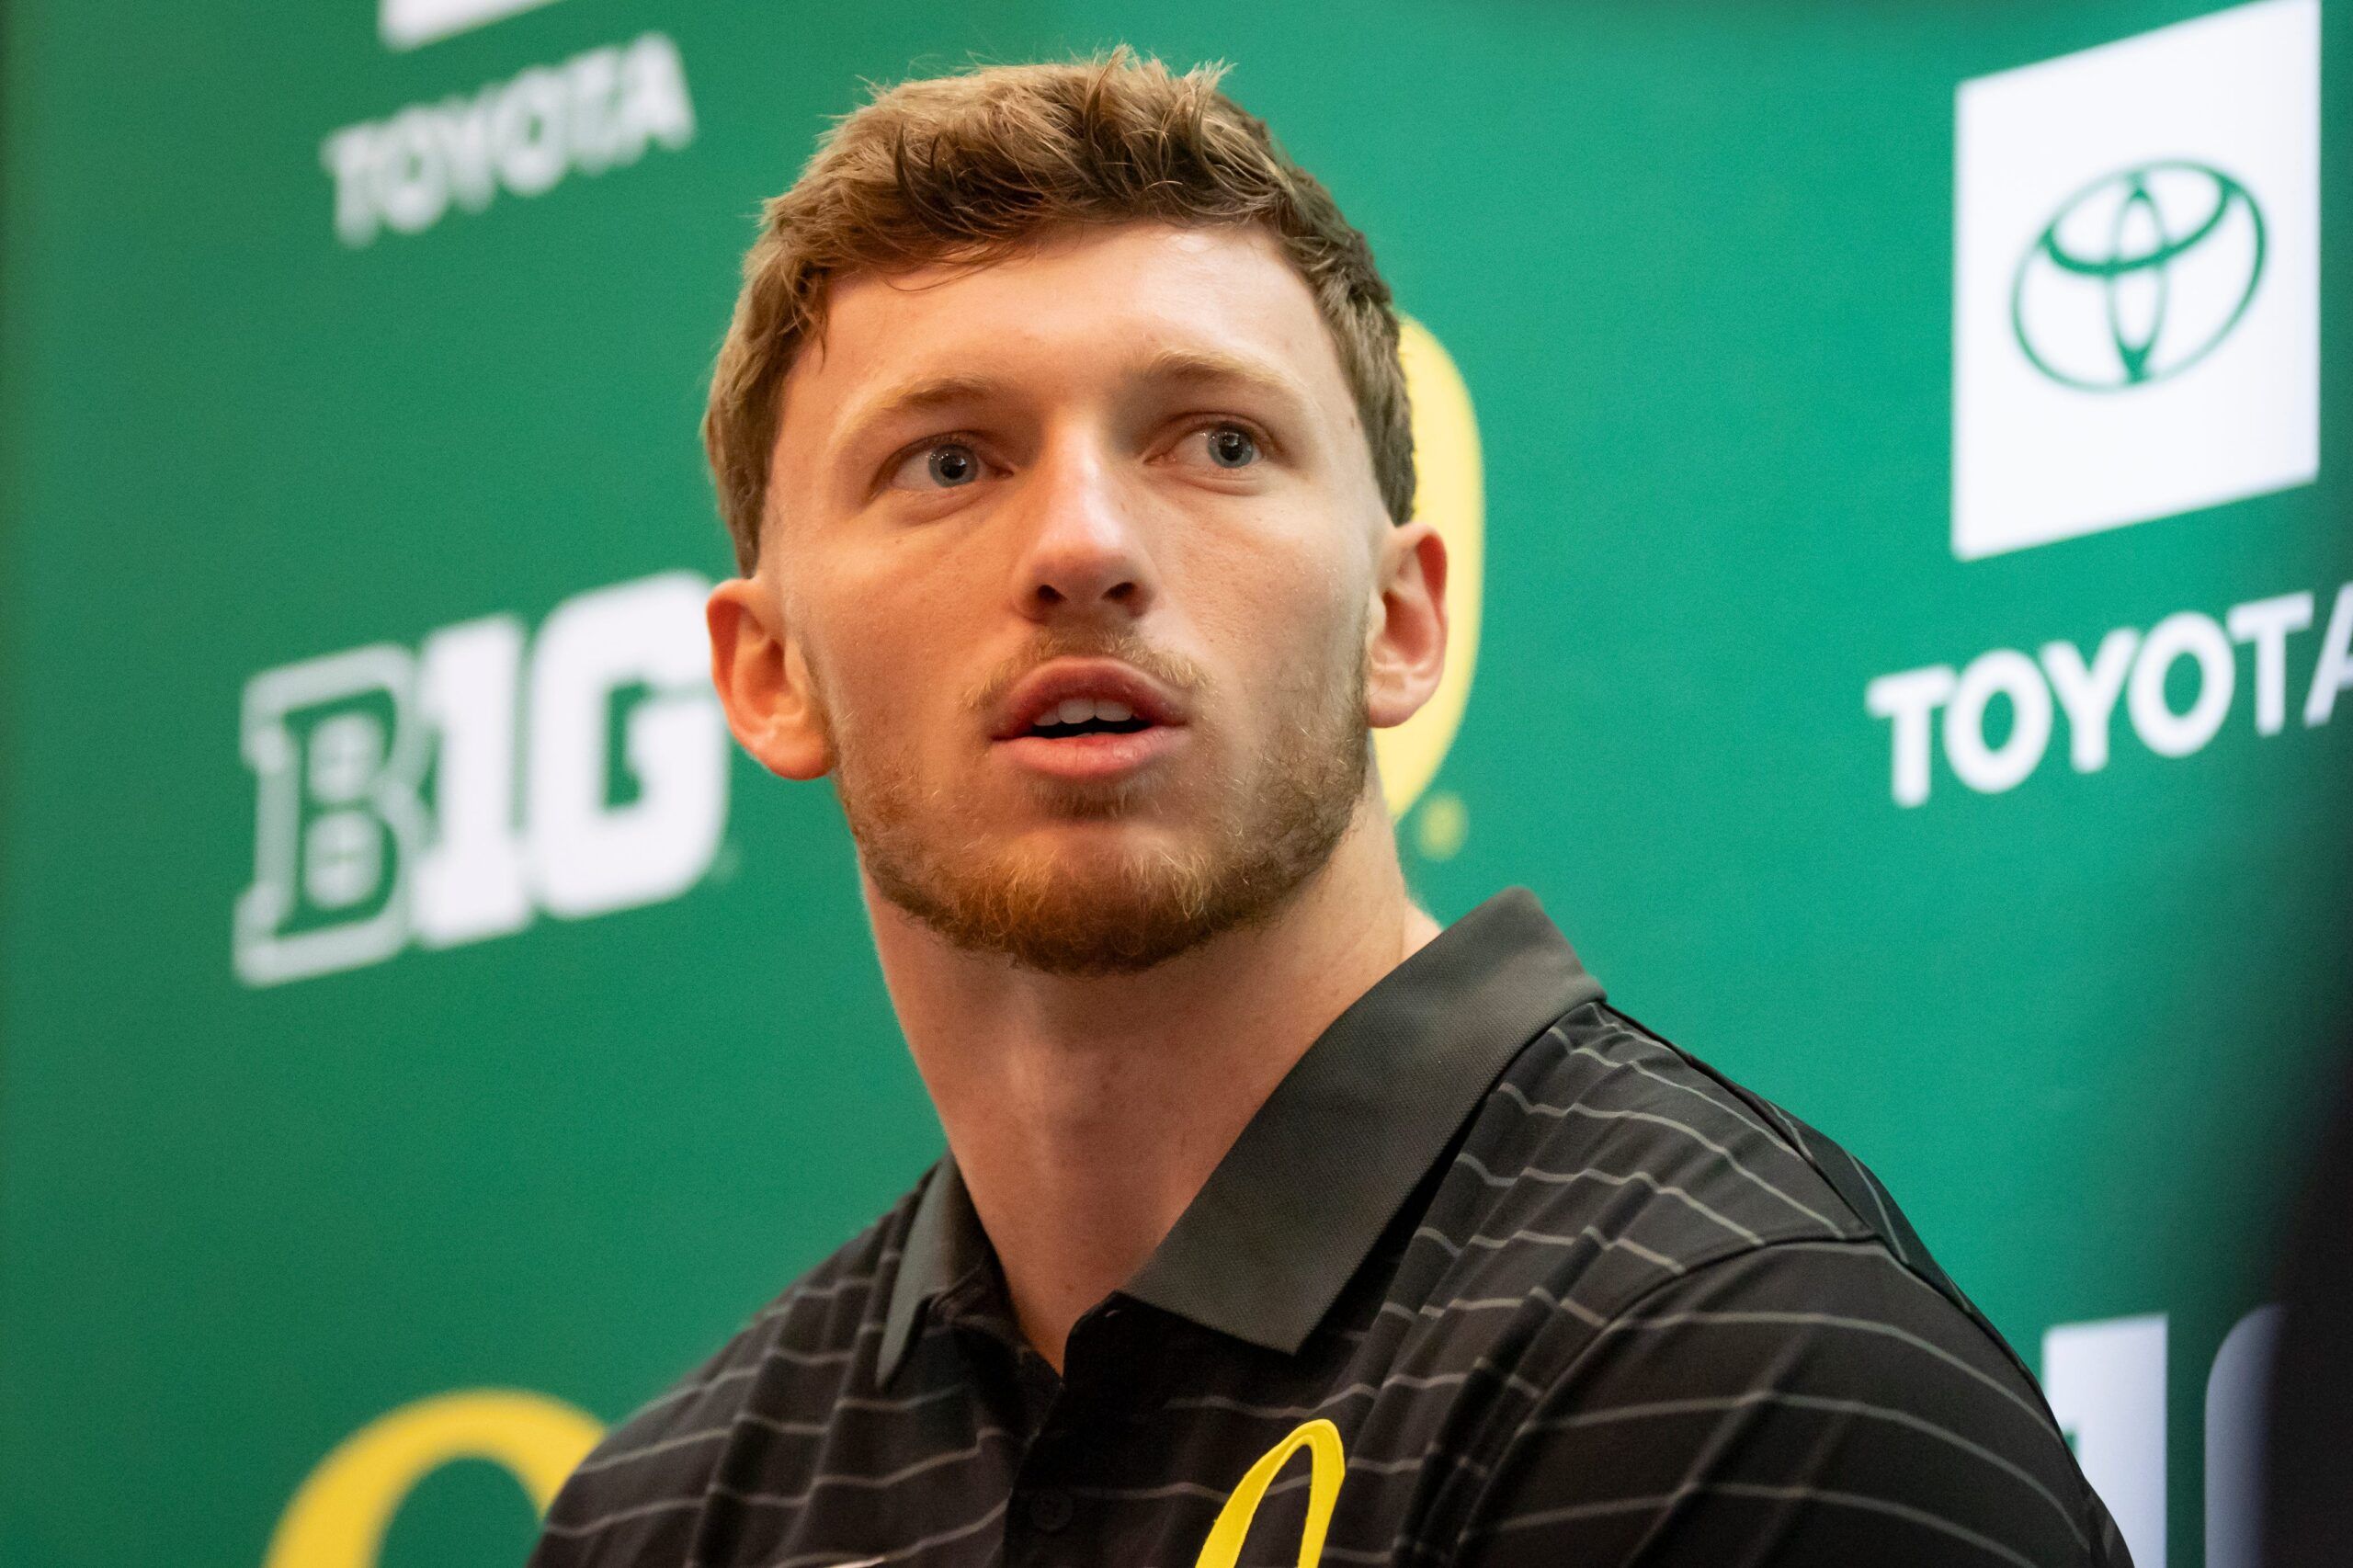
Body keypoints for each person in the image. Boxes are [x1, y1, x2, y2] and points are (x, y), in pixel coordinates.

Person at [528, 50, 2130, 1568]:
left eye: (1216, 441)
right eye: (949, 462)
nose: (1083, 544)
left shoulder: (1742, 1375)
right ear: (767, 672)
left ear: (1400, 619)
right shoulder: (673, 1514)